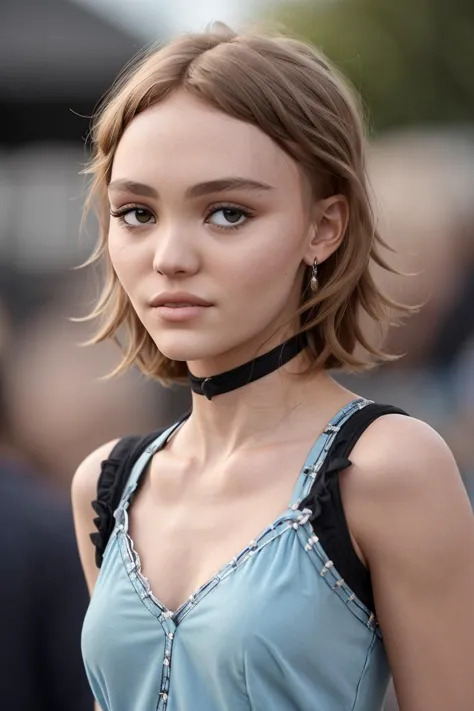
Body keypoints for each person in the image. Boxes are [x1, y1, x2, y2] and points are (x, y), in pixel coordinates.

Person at [71, 24, 474, 711]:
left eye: (228, 212)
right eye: (137, 212)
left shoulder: (387, 469)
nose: (169, 255)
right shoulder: (107, 485)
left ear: (325, 226)